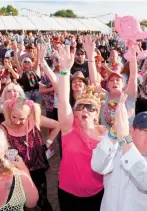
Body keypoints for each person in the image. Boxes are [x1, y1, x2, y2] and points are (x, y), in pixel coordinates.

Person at [42, 44, 105, 211]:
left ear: (96, 114)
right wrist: (64, 71)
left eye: (90, 107)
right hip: (69, 192)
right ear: (74, 112)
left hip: (96, 192)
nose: (84, 109)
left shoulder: (105, 133)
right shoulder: (69, 128)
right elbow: (63, 100)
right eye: (80, 107)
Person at [91, 97, 147, 211]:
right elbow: (97, 166)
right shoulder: (115, 151)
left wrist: (125, 140)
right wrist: (114, 131)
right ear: (132, 131)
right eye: (146, 131)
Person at [0, 97, 59, 210]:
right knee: (23, 201)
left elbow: (57, 125)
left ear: (29, 115)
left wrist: (47, 144)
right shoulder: (3, 128)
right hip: (17, 173)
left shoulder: (35, 120)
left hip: (37, 169)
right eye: (14, 117)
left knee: (42, 199)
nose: (16, 121)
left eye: (22, 119)